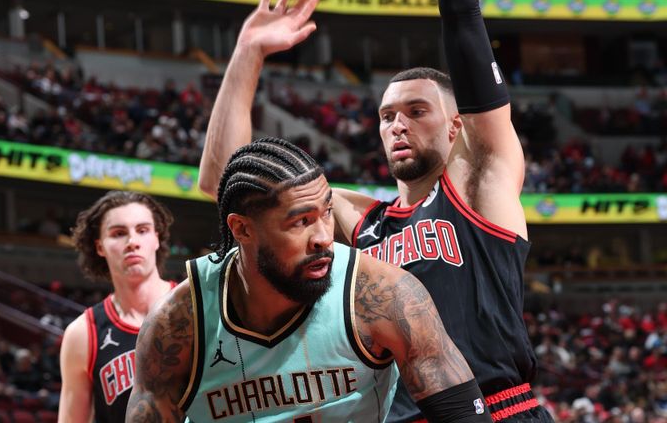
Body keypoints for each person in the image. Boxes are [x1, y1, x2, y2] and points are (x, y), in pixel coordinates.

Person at [196, 0, 549, 421]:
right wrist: (246, 58)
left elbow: (464, 19)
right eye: (386, 115)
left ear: (458, 126)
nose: (396, 125)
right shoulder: (363, 222)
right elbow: (228, 183)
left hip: (498, 408)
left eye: (416, 111)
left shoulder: (482, 185)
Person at [126, 137, 491, 422]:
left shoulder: (382, 293)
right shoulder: (178, 322)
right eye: (300, 222)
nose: (323, 237)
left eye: (327, 213)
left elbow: (463, 415)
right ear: (241, 229)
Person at [59, 191, 176, 423]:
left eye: (142, 230)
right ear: (100, 247)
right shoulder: (83, 332)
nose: (132, 242)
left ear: (156, 237)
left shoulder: (196, 305)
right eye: (119, 233)